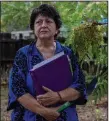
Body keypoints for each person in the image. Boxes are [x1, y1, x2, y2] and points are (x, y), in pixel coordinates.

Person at [7, 4, 87, 121]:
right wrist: (43, 111)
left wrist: (58, 96)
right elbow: (17, 89)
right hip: (31, 116)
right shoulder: (23, 54)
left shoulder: (68, 53)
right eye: (38, 22)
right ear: (33, 28)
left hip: (63, 116)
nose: (43, 25)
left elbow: (80, 85)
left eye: (48, 21)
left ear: (57, 28)